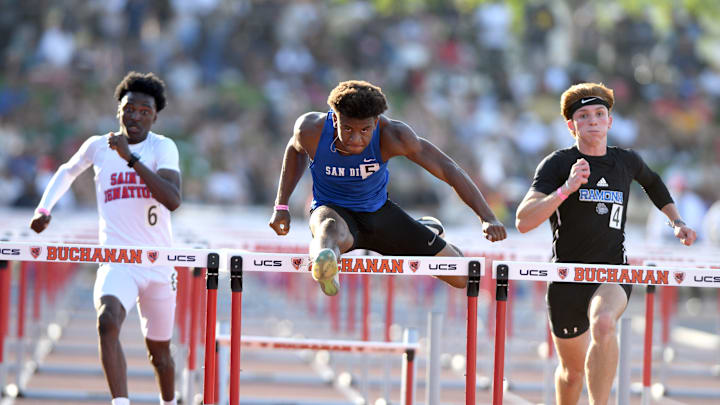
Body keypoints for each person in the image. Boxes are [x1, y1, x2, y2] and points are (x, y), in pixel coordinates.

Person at [515, 82, 697, 405]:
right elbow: (523, 220)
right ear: (571, 125)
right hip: (567, 278)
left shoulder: (626, 162)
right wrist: (566, 189)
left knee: (603, 324)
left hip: (611, 270)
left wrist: (677, 222)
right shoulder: (557, 164)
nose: (594, 121)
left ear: (610, 121)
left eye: (600, 114)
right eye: (584, 116)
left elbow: (654, 184)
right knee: (571, 374)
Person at [268, 80, 506, 296]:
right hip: (333, 210)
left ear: (376, 123)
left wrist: (487, 217)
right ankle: (324, 266)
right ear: (334, 118)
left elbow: (448, 168)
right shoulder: (311, 129)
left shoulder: (394, 135)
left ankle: (425, 231)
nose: (355, 139)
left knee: (461, 276)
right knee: (327, 229)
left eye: (365, 131)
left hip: (380, 216)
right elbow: (295, 149)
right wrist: (281, 205)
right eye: (347, 129)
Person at [29, 72, 181, 405]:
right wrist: (44, 209)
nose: (135, 116)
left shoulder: (162, 148)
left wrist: (131, 158)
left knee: (160, 354)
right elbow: (67, 171)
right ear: (119, 111)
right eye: (129, 109)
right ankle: (120, 402)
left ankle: (170, 401)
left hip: (158, 264)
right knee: (107, 321)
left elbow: (172, 199)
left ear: (155, 116)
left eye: (144, 111)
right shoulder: (99, 146)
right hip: (118, 261)